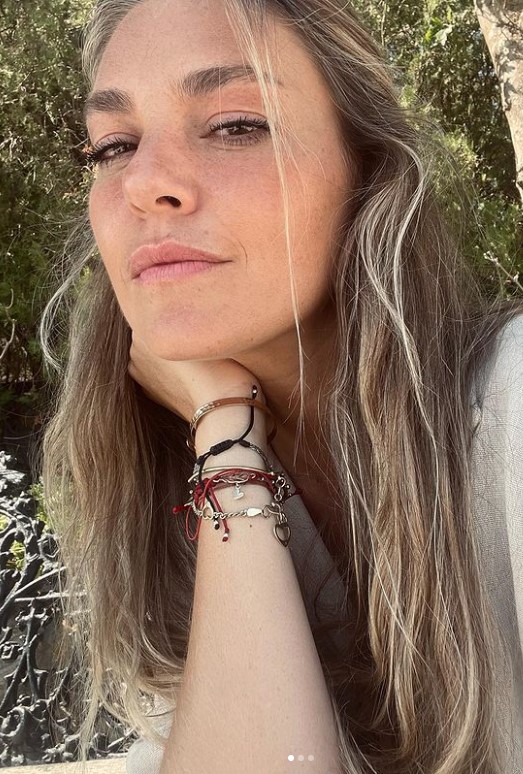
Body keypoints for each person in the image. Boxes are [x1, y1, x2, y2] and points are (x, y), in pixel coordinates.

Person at [38, 0, 523, 772]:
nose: (143, 182)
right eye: (115, 145)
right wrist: (225, 441)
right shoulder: (155, 484)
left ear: (366, 169)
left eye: (235, 125)